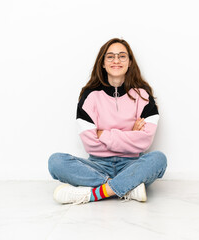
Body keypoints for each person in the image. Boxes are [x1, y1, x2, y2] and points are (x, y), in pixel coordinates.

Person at [48, 38, 167, 205]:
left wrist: (103, 134)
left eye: (122, 56)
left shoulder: (143, 95)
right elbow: (90, 144)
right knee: (56, 162)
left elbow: (145, 141)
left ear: (130, 62)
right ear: (103, 63)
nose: (116, 60)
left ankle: (95, 193)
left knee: (158, 159)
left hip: (131, 164)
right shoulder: (90, 96)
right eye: (110, 56)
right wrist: (131, 134)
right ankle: (127, 187)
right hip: (97, 165)